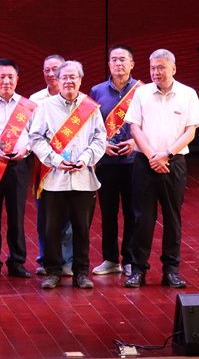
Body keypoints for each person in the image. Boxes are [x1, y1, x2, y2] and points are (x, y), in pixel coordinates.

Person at [124, 49, 199, 289]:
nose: (156, 72)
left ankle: (171, 271)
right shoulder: (141, 93)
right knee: (142, 218)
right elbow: (134, 128)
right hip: (145, 162)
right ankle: (138, 270)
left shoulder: (188, 94)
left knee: (172, 217)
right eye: (152, 68)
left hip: (174, 162)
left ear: (173, 69)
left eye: (161, 67)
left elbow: (190, 131)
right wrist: (152, 156)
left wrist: (166, 154)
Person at [29, 60, 107, 290]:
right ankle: (53, 272)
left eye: (73, 77)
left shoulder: (90, 107)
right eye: (64, 77)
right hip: (55, 178)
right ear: (58, 80)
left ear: (80, 80)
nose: (69, 81)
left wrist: (86, 158)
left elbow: (100, 138)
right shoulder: (46, 107)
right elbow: (35, 138)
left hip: (83, 179)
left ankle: (81, 272)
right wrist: (55, 160)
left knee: (81, 228)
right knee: (51, 228)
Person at [0, 58, 35, 279]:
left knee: (17, 214)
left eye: (10, 77)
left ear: (17, 79)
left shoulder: (28, 106)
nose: (6, 81)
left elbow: (36, 135)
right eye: (2, 77)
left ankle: (17, 261)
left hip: (19, 165)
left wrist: (26, 149)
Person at [89, 44, 141, 276]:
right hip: (106, 161)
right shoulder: (97, 91)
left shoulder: (142, 91)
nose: (118, 63)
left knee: (133, 212)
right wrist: (102, 145)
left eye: (123, 59)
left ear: (132, 64)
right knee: (108, 213)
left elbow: (149, 124)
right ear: (109, 64)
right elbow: (90, 125)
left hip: (134, 161)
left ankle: (129, 259)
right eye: (114, 60)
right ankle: (110, 259)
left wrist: (135, 142)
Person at [30, 53, 72, 276]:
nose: (50, 74)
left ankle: (68, 261)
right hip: (45, 166)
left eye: (55, 69)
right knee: (45, 216)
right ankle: (46, 258)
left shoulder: (79, 101)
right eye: (46, 70)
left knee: (69, 217)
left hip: (72, 165)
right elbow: (31, 134)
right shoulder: (36, 99)